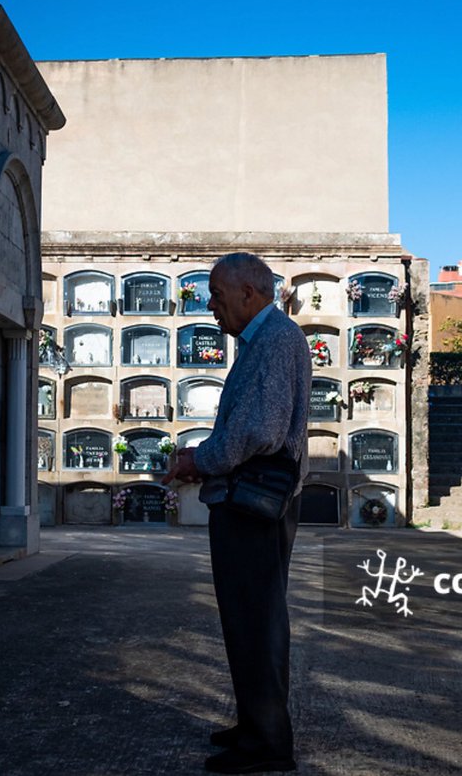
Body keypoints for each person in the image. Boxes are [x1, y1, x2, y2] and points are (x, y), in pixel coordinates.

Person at [164, 252, 310, 774]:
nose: (211, 306)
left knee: (256, 621)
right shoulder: (266, 339)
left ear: (250, 292)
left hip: (253, 504)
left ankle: (269, 744)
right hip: (250, 501)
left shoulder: (272, 340)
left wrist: (197, 460)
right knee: (247, 620)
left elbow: (258, 432)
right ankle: (255, 725)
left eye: (218, 295)